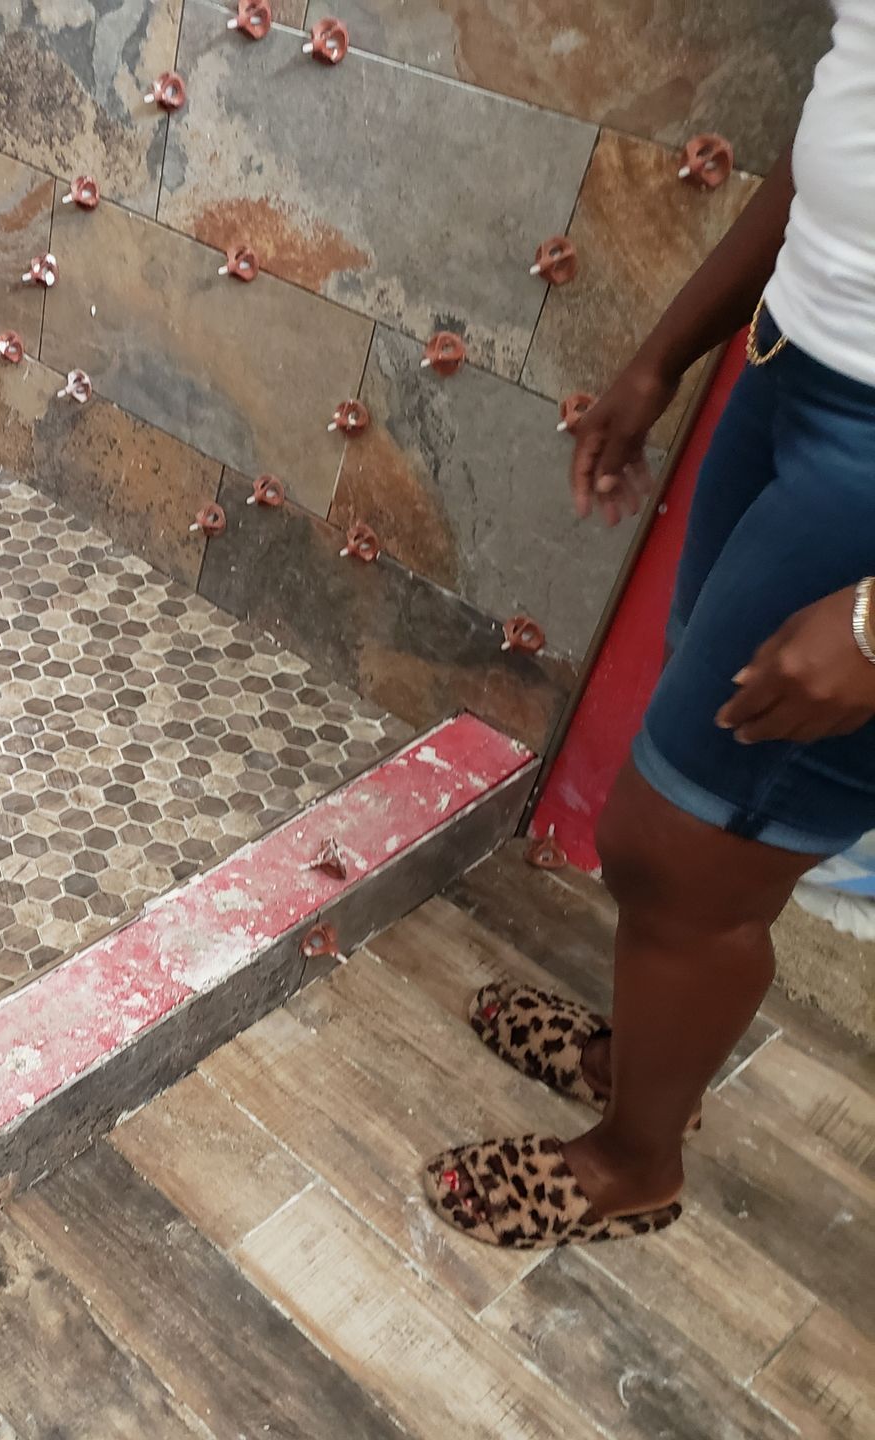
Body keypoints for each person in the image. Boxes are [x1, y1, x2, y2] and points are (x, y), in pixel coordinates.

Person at [423, 2, 875, 1247]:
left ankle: (636, 1161)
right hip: (798, 364)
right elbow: (844, 124)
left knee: (678, 848)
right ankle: (647, 1060)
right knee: (711, 818)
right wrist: (667, 353)